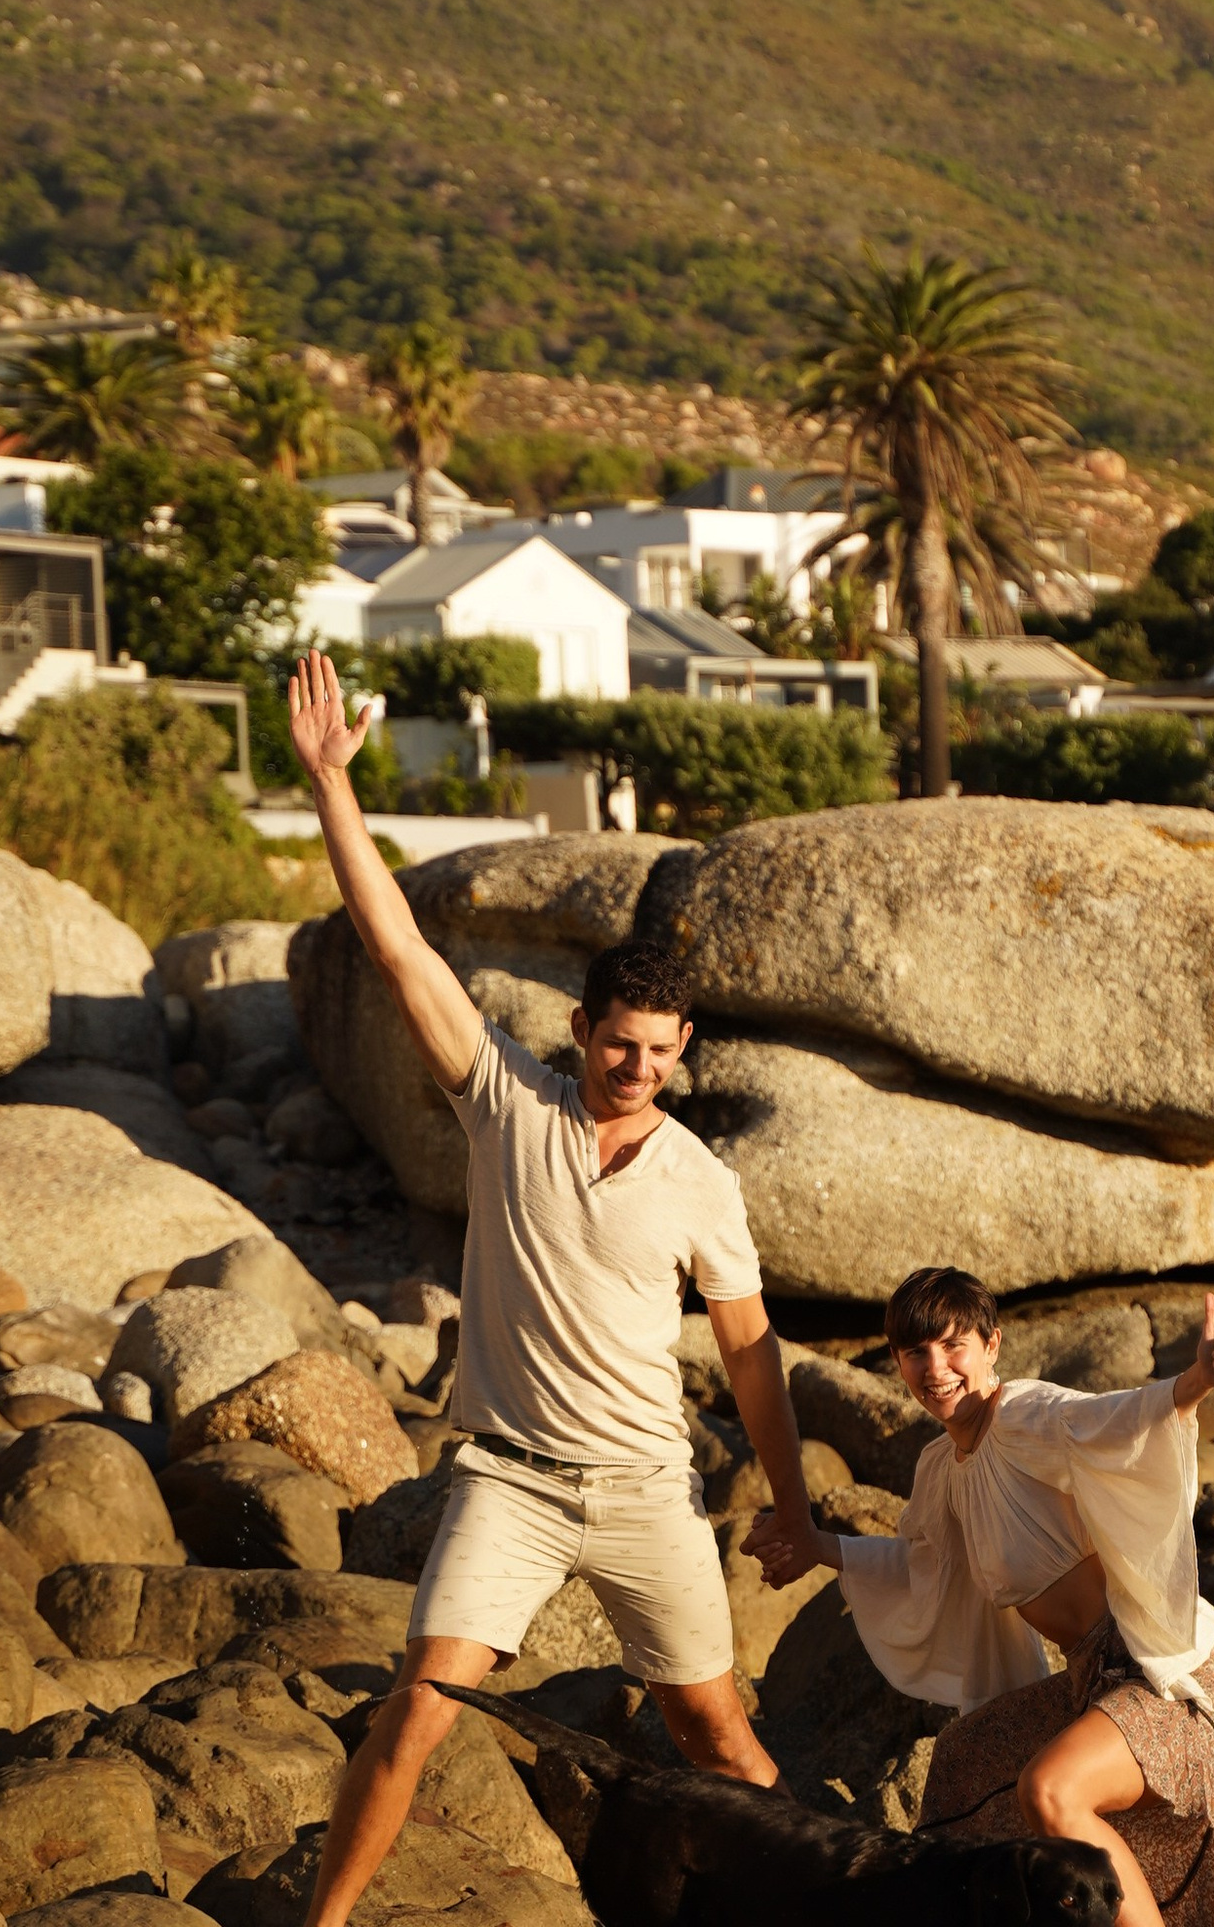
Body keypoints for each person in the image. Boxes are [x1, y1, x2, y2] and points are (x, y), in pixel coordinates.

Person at [284, 648, 821, 1927]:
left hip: (646, 1491)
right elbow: (399, 945)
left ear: (682, 1052)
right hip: (511, 1482)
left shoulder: (699, 1180)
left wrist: (790, 1502)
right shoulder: (504, 1105)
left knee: (724, 1745)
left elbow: (749, 1353)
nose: (634, 1066)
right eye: (616, 1044)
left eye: (657, 1052)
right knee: (419, 1704)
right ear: (579, 1032)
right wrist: (328, 789)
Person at [744, 1265, 1214, 1927]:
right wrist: (815, 1547)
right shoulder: (942, 1468)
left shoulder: (1023, 1414)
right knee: (968, 1762)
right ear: (898, 1363)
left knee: (1050, 1789)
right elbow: (922, 1566)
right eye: (915, 1353)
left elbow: (1114, 1419)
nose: (935, 1368)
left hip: (1172, 1670)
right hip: (1097, 1677)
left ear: (992, 1345)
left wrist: (1197, 1381)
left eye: (953, 1346)